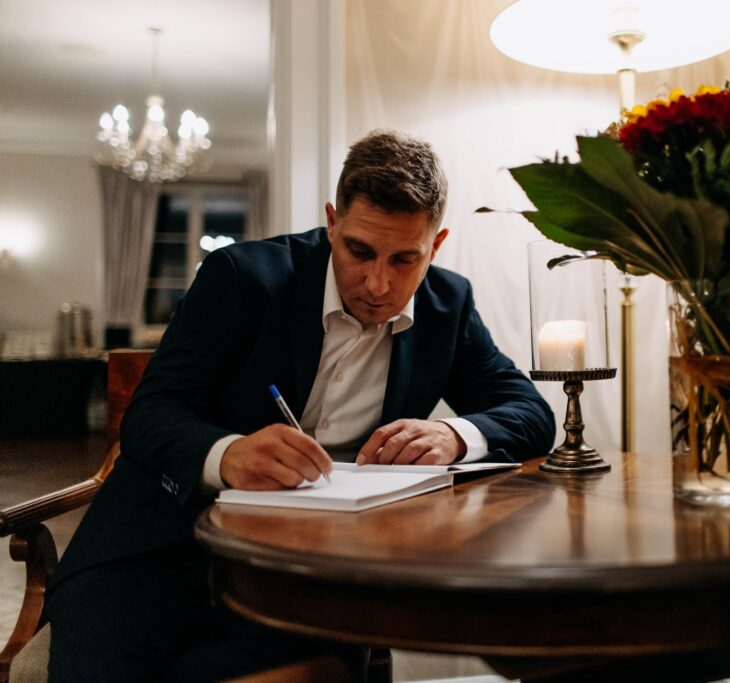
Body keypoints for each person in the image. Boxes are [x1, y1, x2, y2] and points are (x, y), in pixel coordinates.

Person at [46, 130, 556, 681]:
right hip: (160, 545)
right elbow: (151, 414)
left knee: (316, 671)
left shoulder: (447, 305)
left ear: (436, 245)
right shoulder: (242, 277)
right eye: (359, 251)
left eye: (405, 258)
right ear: (333, 223)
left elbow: (531, 413)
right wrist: (227, 455)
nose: (378, 283)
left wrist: (454, 435)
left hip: (310, 570)